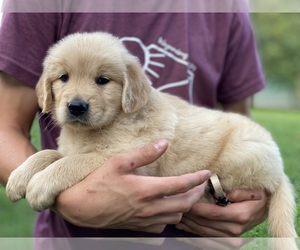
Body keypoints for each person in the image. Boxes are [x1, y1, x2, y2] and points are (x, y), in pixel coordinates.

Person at [0, 11, 268, 241]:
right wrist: (68, 199)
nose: (77, 99)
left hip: (195, 238)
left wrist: (253, 203)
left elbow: (238, 122)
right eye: (64, 77)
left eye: (102, 79)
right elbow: (5, 126)